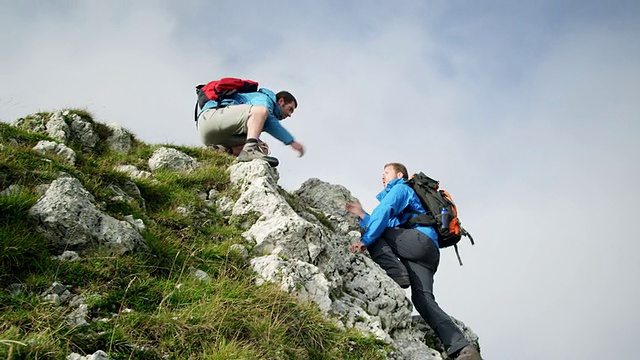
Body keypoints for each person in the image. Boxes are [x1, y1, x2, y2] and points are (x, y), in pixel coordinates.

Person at [346, 163, 481, 360]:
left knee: (373, 233)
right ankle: (463, 349)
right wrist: (361, 214)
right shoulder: (409, 201)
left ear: (399, 174)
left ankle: (396, 273)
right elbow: (391, 227)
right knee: (423, 299)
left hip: (418, 241)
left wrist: (364, 240)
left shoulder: (401, 188)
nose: (382, 176)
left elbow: (383, 214)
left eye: (386, 172)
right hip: (428, 251)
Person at [197, 87, 305, 167]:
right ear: (281, 101)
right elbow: (268, 120)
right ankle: (249, 151)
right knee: (261, 111)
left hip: (210, 134)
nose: (290, 114)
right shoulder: (263, 98)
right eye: (290, 109)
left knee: (261, 147)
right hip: (212, 116)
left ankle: (222, 150)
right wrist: (290, 141)